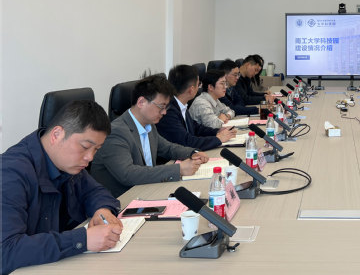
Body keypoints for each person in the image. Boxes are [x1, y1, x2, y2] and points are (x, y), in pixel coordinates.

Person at [2, 100, 123, 273]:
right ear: (56, 134)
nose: (90, 158)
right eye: (85, 147)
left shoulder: (67, 163)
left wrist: (102, 210)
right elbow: (5, 252)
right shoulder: (10, 173)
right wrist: (83, 240)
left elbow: (95, 191)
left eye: (96, 149)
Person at [91, 75, 208, 197]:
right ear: (141, 102)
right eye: (161, 107)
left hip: (147, 190)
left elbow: (168, 148)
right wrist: (179, 169)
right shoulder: (116, 132)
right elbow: (128, 174)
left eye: (166, 107)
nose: (164, 112)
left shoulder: (149, 125)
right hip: (122, 199)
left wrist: (193, 153)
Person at [156, 65, 237, 155]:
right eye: (198, 84)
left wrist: (217, 131)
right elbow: (186, 141)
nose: (199, 88)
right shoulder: (168, 111)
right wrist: (218, 139)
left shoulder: (181, 104)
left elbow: (195, 128)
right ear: (191, 89)